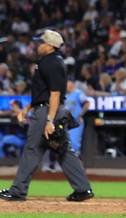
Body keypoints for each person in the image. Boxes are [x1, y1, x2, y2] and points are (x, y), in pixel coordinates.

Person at [0, 30, 94, 202]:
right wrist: (27, 108)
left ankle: (18, 190)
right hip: (48, 108)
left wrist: (50, 120)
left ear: (50, 46)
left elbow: (55, 94)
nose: (37, 45)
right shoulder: (50, 61)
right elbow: (42, 94)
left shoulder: (51, 63)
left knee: (33, 149)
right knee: (63, 150)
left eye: (40, 43)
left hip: (48, 111)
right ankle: (83, 189)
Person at [65, 78, 89, 155]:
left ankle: (76, 163)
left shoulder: (78, 93)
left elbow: (87, 104)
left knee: (74, 143)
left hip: (75, 122)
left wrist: (81, 114)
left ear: (72, 83)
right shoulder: (64, 94)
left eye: (67, 83)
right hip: (64, 121)